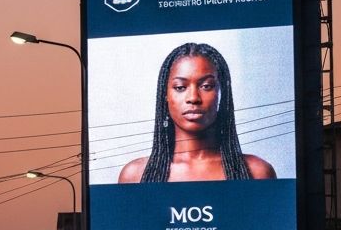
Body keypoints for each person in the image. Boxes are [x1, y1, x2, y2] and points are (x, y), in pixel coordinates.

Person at [118, 42, 276, 183]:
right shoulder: (134, 176)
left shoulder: (258, 173)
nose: (193, 98)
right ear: (165, 95)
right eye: (180, 87)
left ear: (222, 92)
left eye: (206, 86)